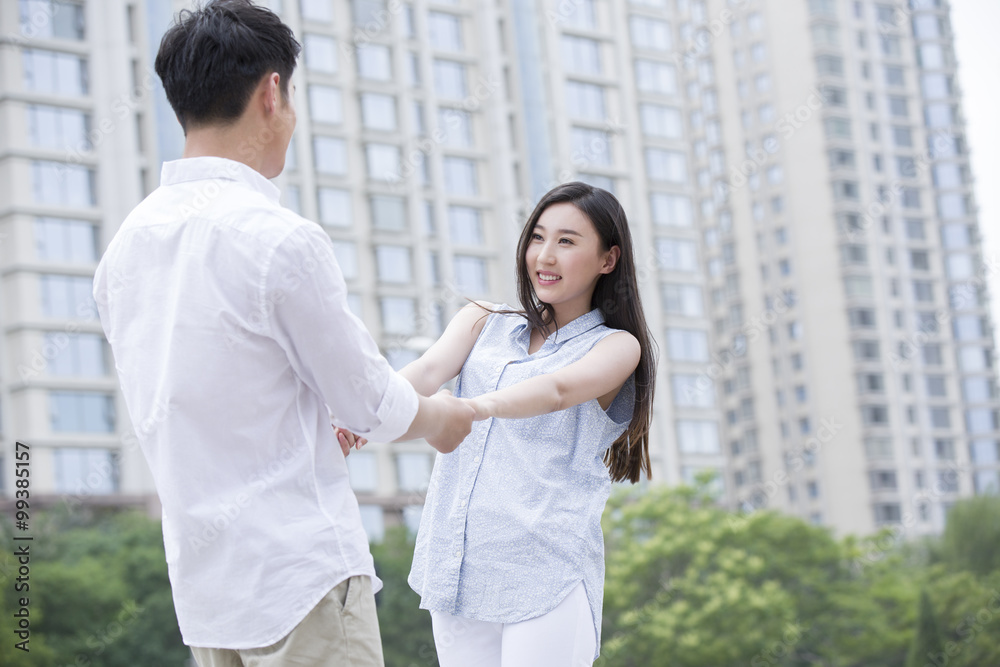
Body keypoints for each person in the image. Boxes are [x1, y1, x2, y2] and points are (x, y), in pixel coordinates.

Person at [93, 2, 474, 665]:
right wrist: (440, 418)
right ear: (273, 92)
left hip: (208, 599)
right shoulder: (279, 240)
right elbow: (372, 405)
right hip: (300, 580)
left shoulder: (123, 254)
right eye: (291, 96)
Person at [341, 182, 657, 665]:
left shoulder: (616, 347)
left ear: (608, 260)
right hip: (457, 566)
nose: (545, 256)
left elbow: (557, 391)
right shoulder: (482, 319)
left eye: (567, 241)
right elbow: (424, 374)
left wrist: (471, 408)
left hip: (545, 571)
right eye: (537, 237)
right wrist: (363, 416)